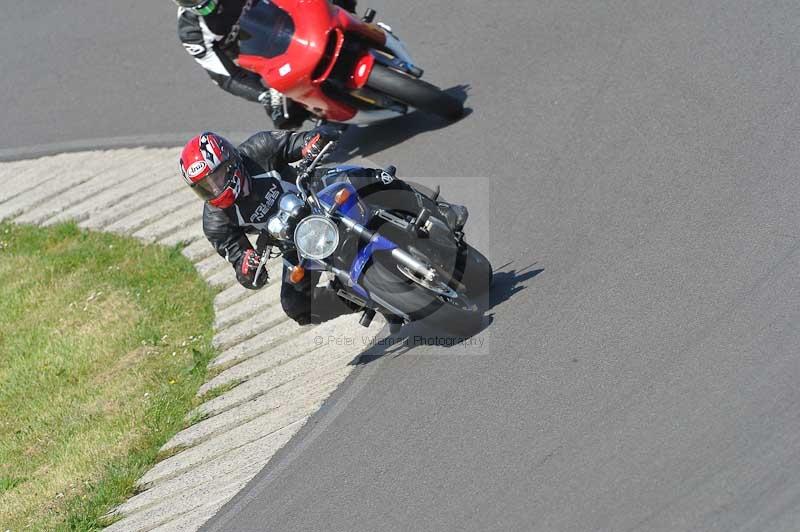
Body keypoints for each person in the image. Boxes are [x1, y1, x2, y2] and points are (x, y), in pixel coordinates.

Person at [179, 128, 468, 326]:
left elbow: (300, 141)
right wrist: (248, 265)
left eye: (215, 178)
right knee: (295, 307)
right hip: (296, 242)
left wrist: (311, 143)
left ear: (229, 162)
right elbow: (241, 264)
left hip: (319, 192)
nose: (213, 189)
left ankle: (436, 210)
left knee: (372, 177)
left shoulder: (259, 148)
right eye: (204, 187)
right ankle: (361, 300)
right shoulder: (216, 221)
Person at [175, 0, 357, 129]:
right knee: (284, 116)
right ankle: (326, 118)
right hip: (264, 60)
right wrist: (264, 95)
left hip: (288, 19)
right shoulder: (191, 32)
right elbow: (224, 77)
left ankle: (352, 19)